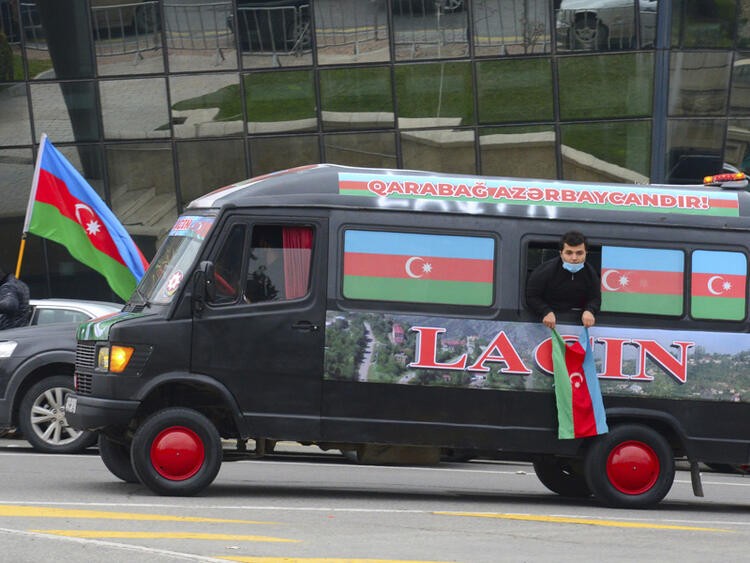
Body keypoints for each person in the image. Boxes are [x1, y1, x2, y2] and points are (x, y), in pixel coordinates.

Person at [526, 231, 600, 330]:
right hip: (546, 324)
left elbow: (595, 298)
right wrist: (545, 311)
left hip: (577, 326)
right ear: (561, 253)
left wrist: (589, 311)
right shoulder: (545, 271)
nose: (574, 258)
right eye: (569, 253)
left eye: (579, 253)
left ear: (586, 253)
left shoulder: (591, 273)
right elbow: (531, 296)